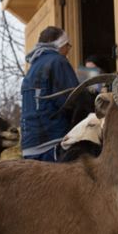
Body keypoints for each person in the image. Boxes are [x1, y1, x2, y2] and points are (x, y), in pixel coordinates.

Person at [20, 26, 80, 162]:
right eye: (67, 45)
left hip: (29, 147)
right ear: (60, 45)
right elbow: (73, 101)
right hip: (51, 144)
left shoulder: (33, 67)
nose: (68, 50)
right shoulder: (58, 62)